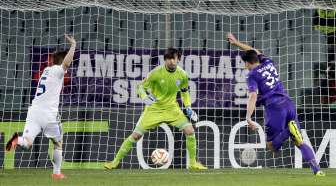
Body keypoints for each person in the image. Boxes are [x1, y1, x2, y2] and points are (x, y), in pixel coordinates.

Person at [227, 33, 325, 176]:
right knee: (300, 142)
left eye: (245, 64)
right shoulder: (268, 62)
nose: (245, 66)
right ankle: (317, 170)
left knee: (271, 146)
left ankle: (289, 131)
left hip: (274, 108)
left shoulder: (252, 75)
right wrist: (237, 43)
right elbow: (255, 50)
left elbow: (253, 96)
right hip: (288, 103)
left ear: (248, 63)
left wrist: (248, 117)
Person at [104, 48, 207, 170]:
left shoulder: (182, 75)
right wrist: (144, 97)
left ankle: (193, 163)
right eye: (168, 58)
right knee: (136, 135)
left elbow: (184, 92)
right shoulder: (155, 73)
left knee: (190, 131)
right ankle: (114, 162)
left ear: (178, 59)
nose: (171, 61)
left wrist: (188, 107)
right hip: (154, 109)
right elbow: (140, 87)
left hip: (172, 109)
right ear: (165, 60)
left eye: (173, 58)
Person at [6, 34, 77, 179]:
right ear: (61, 62)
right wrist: (73, 45)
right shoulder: (58, 71)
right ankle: (57, 173)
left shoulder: (45, 71)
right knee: (58, 143)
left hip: (33, 112)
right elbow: (67, 63)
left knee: (27, 143)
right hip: (49, 114)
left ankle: (16, 140)